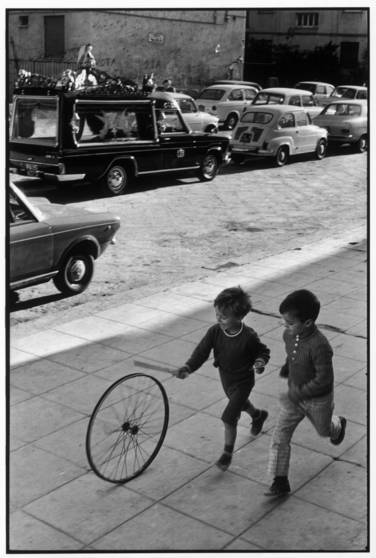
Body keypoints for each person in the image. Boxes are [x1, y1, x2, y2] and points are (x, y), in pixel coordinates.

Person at [174, 286, 270, 471]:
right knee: (240, 404)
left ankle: (227, 453)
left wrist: (260, 362)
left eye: (224, 317)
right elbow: (201, 352)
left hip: (243, 381)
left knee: (228, 417)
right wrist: (188, 367)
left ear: (240, 317)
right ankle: (258, 415)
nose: (219, 319)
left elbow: (262, 351)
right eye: (217, 314)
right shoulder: (215, 332)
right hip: (226, 378)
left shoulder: (248, 336)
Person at [265, 289, 347, 497]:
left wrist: (298, 393)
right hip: (295, 397)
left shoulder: (321, 346)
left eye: (290, 323)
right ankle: (280, 480)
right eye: (284, 322)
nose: (286, 327)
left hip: (318, 400)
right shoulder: (289, 334)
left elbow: (323, 380)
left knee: (324, 431)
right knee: (280, 435)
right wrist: (287, 367)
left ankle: (337, 425)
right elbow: (292, 354)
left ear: (308, 323)